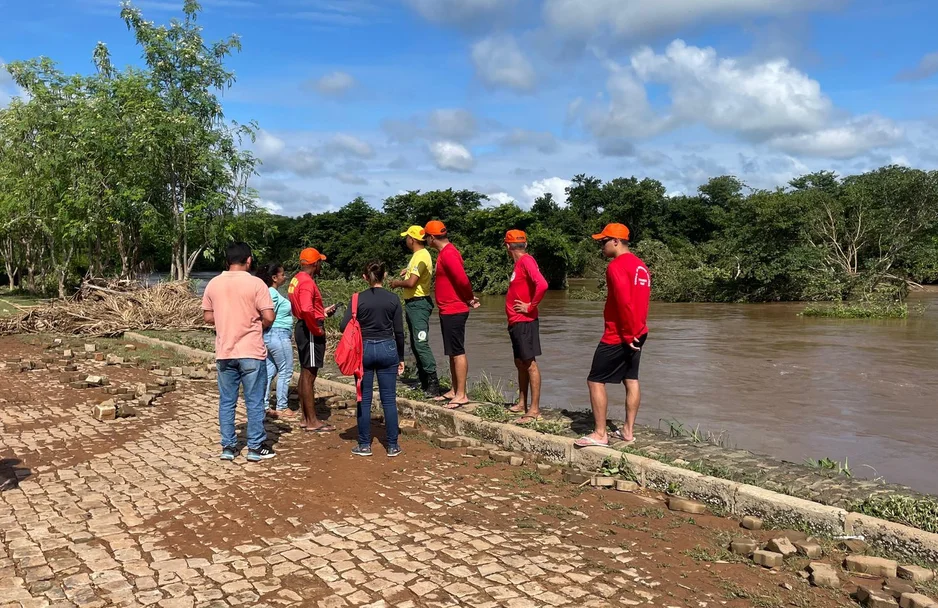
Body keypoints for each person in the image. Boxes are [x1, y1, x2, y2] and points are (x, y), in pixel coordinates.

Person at [575, 223, 651, 448]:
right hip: (640, 330)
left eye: (603, 241)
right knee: (631, 378)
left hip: (619, 333)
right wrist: (636, 331)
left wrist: (627, 333)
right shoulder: (641, 266)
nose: (601, 246)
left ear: (616, 241)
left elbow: (623, 301)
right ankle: (628, 430)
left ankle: (600, 434)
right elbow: (642, 301)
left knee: (595, 380)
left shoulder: (616, 266)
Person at [201, 242, 277, 462]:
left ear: (227, 260)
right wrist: (256, 324)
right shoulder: (256, 284)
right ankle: (254, 448)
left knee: (227, 401)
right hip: (251, 350)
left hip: (224, 351)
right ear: (249, 260)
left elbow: (207, 316)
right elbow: (269, 316)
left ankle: (228, 446)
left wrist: (227, 318)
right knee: (253, 401)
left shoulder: (213, 284)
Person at [341, 260, 405, 457]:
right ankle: (393, 445)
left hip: (364, 351)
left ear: (364, 277)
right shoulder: (393, 299)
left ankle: (364, 445)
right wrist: (400, 357)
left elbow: (344, 326)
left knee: (364, 399)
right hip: (387, 347)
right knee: (388, 399)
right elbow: (399, 332)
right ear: (384, 276)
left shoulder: (356, 299)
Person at [424, 220, 479, 409]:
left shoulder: (448, 254)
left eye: (427, 238)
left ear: (432, 237)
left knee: (457, 351)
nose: (426, 241)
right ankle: (455, 390)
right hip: (447, 309)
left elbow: (462, 280)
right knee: (451, 352)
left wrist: (469, 298)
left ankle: (462, 394)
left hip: (455, 309)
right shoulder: (445, 253)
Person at [288, 248, 337, 433]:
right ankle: (312, 421)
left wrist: (322, 312)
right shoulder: (308, 282)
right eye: (320, 262)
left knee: (305, 371)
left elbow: (304, 307)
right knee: (309, 375)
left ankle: (305, 417)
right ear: (315, 263)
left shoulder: (297, 278)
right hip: (309, 329)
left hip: (302, 326)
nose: (321, 265)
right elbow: (307, 309)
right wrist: (316, 329)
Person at [503, 230, 548, 424]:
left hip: (525, 322)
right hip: (516, 321)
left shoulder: (526, 261)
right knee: (520, 363)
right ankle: (522, 403)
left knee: (530, 364)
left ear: (507, 246)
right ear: (525, 244)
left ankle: (534, 409)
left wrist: (530, 306)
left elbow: (543, 284)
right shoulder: (520, 263)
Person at [390, 225, 440, 396]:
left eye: (407, 238)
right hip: (413, 304)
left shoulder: (421, 257)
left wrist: (397, 283)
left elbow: (411, 283)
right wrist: (407, 272)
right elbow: (415, 275)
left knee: (421, 343)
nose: (406, 240)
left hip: (419, 304)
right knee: (415, 343)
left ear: (412, 239)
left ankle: (433, 383)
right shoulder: (417, 256)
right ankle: (423, 380)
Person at [255, 262, 294, 419]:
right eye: (282, 274)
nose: (285, 277)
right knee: (286, 369)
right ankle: (282, 406)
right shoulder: (272, 293)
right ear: (274, 278)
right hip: (278, 334)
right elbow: (268, 316)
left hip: (273, 335)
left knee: (270, 370)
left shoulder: (272, 292)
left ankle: (264, 404)